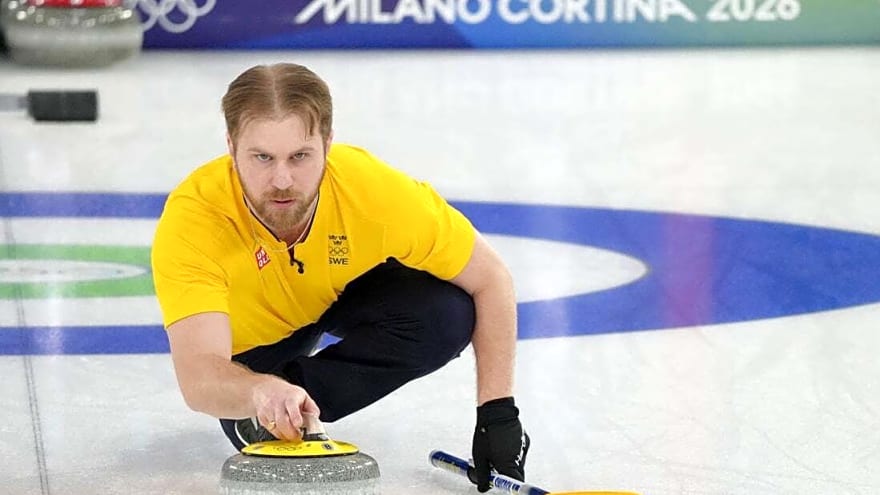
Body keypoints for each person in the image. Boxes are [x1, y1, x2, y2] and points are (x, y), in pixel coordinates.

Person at [151, 62, 529, 492]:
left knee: (447, 314)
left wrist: (498, 413)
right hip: (258, 346)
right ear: (231, 146)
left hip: (338, 291)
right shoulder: (194, 222)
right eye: (262, 157)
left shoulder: (372, 190)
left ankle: (298, 391)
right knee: (253, 395)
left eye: (300, 156)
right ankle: (275, 401)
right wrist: (257, 392)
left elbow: (490, 277)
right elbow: (200, 375)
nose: (281, 180)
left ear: (327, 145)